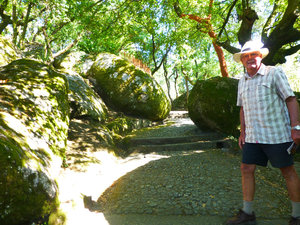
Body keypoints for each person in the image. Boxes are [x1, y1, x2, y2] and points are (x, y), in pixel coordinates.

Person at [226, 40, 300, 225]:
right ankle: (247, 213)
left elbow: (291, 100)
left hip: (277, 135)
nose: (250, 58)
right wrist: (242, 132)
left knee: (288, 171)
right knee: (246, 169)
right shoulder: (242, 81)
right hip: (253, 136)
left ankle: (297, 215)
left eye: (254, 54)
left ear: (260, 57)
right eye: (246, 56)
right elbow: (242, 108)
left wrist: (296, 127)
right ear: (242, 60)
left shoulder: (273, 73)